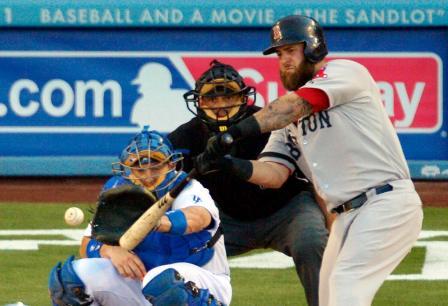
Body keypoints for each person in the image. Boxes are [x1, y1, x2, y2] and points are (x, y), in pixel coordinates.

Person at [196, 15, 423, 306]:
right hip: (345, 217)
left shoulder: (345, 72)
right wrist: (229, 164)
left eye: (291, 50)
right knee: (328, 298)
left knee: (346, 287)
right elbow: (274, 174)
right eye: (279, 54)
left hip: (385, 203)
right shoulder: (290, 121)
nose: (284, 60)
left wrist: (234, 133)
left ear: (313, 47)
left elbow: (293, 106)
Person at [168, 59, 329, 306]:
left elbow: (317, 174)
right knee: (175, 254)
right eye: (212, 99)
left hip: (288, 210)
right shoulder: (183, 138)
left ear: (244, 98)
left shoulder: (272, 123)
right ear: (199, 102)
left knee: (313, 241)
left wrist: (333, 221)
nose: (221, 106)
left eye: (228, 96)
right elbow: (162, 186)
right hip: (225, 219)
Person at [48, 127, 231, 306]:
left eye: (156, 167)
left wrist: (155, 221)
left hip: (202, 283)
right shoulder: (119, 192)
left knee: (163, 282)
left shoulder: (188, 187)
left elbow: (197, 218)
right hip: (143, 284)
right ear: (127, 170)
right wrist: (110, 250)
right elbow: (88, 243)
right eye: (140, 170)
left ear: (171, 165)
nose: (148, 177)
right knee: (71, 280)